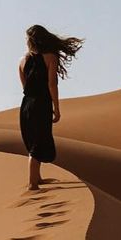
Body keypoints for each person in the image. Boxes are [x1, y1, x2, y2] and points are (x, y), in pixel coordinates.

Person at [18, 24, 84, 191]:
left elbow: (25, 86)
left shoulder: (22, 61)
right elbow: (52, 84)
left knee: (34, 139)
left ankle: (37, 178)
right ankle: (32, 184)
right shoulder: (50, 57)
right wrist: (56, 107)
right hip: (41, 103)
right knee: (38, 142)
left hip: (26, 104)